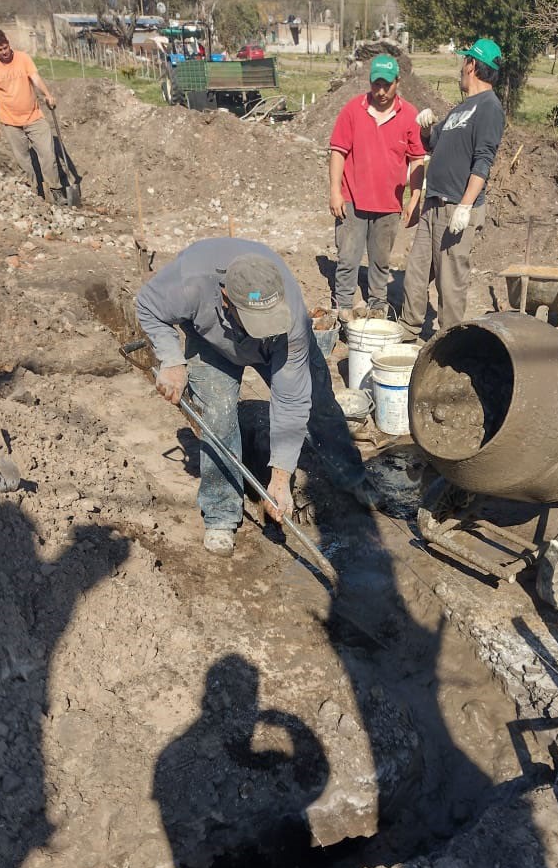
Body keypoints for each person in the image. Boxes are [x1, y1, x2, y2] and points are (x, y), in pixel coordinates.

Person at [135, 237, 377, 558]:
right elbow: (148, 306)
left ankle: (351, 476)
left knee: (319, 402)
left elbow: (291, 400)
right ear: (226, 299)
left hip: (281, 341)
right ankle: (221, 514)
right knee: (218, 419)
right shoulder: (189, 283)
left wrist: (280, 478)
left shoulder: (289, 317)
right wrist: (171, 359)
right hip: (212, 342)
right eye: (255, 320)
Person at [399, 38, 505, 342]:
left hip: (456, 207)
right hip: (434, 204)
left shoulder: (490, 108)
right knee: (416, 273)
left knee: (450, 282)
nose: (461, 67)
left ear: (472, 65)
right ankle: (408, 331)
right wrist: (425, 128)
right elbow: (432, 144)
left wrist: (465, 206)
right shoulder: (462, 108)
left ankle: (449, 345)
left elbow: (483, 161)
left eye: (464, 61)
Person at [328, 54, 425, 324]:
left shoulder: (410, 115)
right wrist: (335, 191)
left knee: (381, 260)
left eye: (386, 85)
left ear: (397, 82)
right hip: (352, 199)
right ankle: (343, 304)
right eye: (376, 84)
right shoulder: (353, 110)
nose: (381, 91)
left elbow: (417, 160)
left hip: (389, 204)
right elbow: (338, 152)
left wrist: (415, 198)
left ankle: (377, 304)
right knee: (348, 257)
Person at [0, 28, 65, 204]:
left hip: (34, 116)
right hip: (10, 121)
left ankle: (55, 190)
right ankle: (36, 193)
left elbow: (35, 78)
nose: (4, 52)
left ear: (8, 43)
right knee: (24, 161)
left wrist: (47, 94)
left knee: (48, 154)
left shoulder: (23, 58)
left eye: (5, 47)